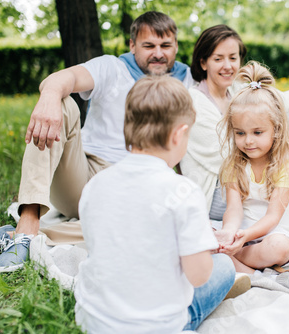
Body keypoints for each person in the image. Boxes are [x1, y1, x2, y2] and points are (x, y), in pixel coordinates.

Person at [0, 11, 195, 272]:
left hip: (135, 188)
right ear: (133, 45)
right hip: (84, 176)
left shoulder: (187, 79)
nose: (158, 53)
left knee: (143, 228)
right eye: (149, 46)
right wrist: (51, 95)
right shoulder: (112, 67)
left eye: (166, 46)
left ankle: (19, 239)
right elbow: (63, 79)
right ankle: (28, 222)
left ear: (176, 46)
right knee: (64, 103)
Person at [74, 75, 234, 333]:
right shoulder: (183, 191)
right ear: (179, 135)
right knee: (224, 267)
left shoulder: (95, 185)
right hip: (155, 325)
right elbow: (199, 275)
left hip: (93, 320)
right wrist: (205, 246)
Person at [180, 25, 289, 221]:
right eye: (218, 59)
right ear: (203, 63)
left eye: (233, 58)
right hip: (220, 191)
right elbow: (229, 156)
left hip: (253, 171)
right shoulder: (193, 102)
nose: (228, 66)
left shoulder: (239, 88)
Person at [215, 61, 289, 293]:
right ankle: (257, 276)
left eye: (257, 133)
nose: (248, 141)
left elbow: (273, 217)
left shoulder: (284, 165)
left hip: (275, 234)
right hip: (243, 234)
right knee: (201, 234)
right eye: (240, 133)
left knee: (276, 247)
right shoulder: (234, 163)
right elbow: (234, 209)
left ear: (276, 130)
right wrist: (230, 232)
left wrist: (237, 242)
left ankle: (237, 266)